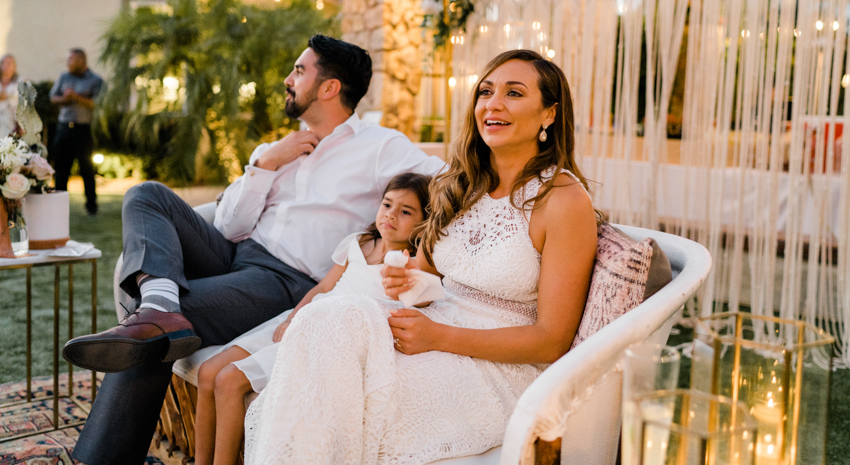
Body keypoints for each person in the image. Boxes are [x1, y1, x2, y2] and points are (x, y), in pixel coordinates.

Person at [63, 35, 444, 465]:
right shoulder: (278, 148)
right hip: (235, 251)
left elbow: (448, 183)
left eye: (299, 71)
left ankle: (101, 456)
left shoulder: (379, 147)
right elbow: (228, 224)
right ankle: (160, 301)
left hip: (284, 280)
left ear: (329, 88)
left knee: (150, 328)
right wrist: (264, 166)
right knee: (146, 195)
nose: (288, 79)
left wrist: (418, 253)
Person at [243, 49, 599, 464]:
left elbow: (552, 340)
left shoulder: (562, 200)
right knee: (321, 319)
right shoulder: (462, 183)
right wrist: (407, 281)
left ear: (549, 114)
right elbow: (425, 276)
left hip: (494, 367)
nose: (493, 104)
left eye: (514, 93)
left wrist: (440, 336)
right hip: (430, 331)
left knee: (347, 389)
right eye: (485, 92)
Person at [194, 172, 432, 465]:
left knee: (229, 381)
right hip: (301, 316)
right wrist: (292, 318)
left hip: (323, 338)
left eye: (405, 211)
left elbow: (424, 300)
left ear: (424, 222)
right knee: (208, 372)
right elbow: (322, 287)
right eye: (387, 205)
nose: (391, 215)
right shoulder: (358, 243)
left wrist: (417, 273)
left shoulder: (407, 272)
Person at [49, 48, 103, 215]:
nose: (68, 63)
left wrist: (77, 98)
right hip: (64, 127)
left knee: (86, 168)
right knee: (61, 169)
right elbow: (53, 98)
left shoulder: (95, 80)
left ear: (81, 61)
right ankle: (58, 207)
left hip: (83, 129)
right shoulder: (64, 77)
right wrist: (65, 99)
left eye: (71, 60)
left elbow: (98, 103)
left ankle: (91, 207)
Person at [0, 54, 21, 137]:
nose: (7, 66)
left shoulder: (19, 85)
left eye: (9, 63)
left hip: (10, 123)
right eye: (4, 63)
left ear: (14, 67)